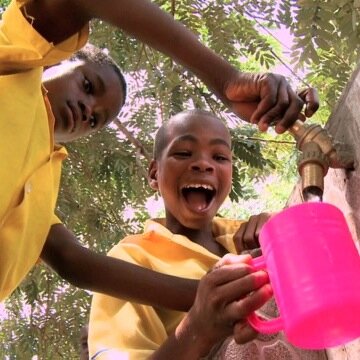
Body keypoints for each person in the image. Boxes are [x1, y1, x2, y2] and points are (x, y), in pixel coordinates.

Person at [0, 0, 319, 311]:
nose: (87, 109)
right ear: (56, 60)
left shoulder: (43, 185)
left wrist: (228, 295)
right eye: (87, 85)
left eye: (96, 119)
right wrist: (227, 80)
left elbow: (75, 263)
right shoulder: (16, 61)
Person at [88, 110, 327, 359]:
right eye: (182, 153)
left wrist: (284, 233)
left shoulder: (248, 237)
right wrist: (198, 328)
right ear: (154, 174)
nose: (204, 164)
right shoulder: (130, 259)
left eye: (220, 157)